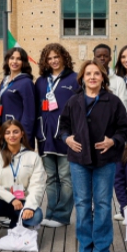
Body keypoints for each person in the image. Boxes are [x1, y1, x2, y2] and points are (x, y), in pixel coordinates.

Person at [59, 59, 127, 252]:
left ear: (103, 78)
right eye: (88, 74)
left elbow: (124, 130)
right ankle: (85, 245)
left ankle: (101, 247)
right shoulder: (73, 101)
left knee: (103, 204)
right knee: (82, 203)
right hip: (78, 159)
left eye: (97, 74)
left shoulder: (113, 101)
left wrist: (113, 141)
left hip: (104, 159)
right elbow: (63, 126)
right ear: (82, 78)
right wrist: (67, 138)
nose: (92, 77)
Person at [0, 120, 45, 249]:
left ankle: (15, 225)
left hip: (21, 202)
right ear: (2, 135)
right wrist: (11, 198)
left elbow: (37, 185)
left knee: (36, 216)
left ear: (22, 134)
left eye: (15, 132)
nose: (11, 135)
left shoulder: (33, 157)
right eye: (7, 132)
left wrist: (29, 207)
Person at [36, 43, 78, 229]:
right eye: (49, 58)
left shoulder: (75, 79)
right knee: (51, 177)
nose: (53, 61)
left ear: (63, 57)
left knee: (66, 176)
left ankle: (62, 215)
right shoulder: (41, 81)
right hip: (45, 136)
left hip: (66, 136)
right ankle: (51, 213)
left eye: (56, 57)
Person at [0, 47, 37, 144]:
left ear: (24, 62)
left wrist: (23, 136)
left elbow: (29, 113)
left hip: (18, 136)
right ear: (7, 60)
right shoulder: (4, 81)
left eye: (19, 59)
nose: (14, 61)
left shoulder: (26, 83)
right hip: (6, 132)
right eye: (12, 58)